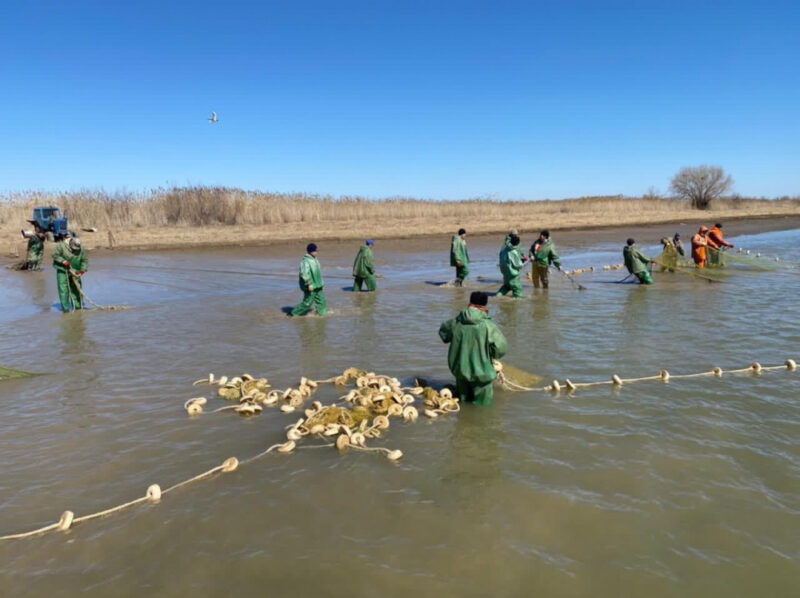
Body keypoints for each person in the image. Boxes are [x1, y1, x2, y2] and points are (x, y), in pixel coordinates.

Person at [438, 291, 507, 406]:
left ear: (470, 304)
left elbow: (443, 334)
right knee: (482, 409)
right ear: (484, 307)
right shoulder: (488, 325)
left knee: (463, 404)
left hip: (460, 373)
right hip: (482, 376)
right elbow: (501, 349)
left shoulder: (456, 322)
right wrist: (490, 354)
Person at [291, 243, 327, 316]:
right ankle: (293, 314)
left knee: (322, 301)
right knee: (307, 304)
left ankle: (322, 316)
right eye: (315, 251)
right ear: (311, 251)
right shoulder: (305, 261)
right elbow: (304, 274)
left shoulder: (315, 259)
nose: (317, 252)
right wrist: (309, 284)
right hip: (311, 286)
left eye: (317, 251)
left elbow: (318, 273)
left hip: (318, 285)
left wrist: (322, 283)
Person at [53, 236, 88, 311]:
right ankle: (65, 309)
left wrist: (83, 270)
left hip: (76, 271)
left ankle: (78, 307)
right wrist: (63, 261)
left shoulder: (81, 249)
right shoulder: (61, 246)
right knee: (64, 290)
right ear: (70, 243)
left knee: (77, 289)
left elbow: (84, 260)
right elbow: (55, 255)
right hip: (63, 270)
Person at [497, 234, 527, 298]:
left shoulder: (504, 248)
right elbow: (519, 265)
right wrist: (523, 262)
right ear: (517, 244)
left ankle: (497, 296)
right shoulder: (513, 252)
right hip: (513, 276)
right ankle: (516, 301)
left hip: (505, 274)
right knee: (518, 290)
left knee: (506, 287)